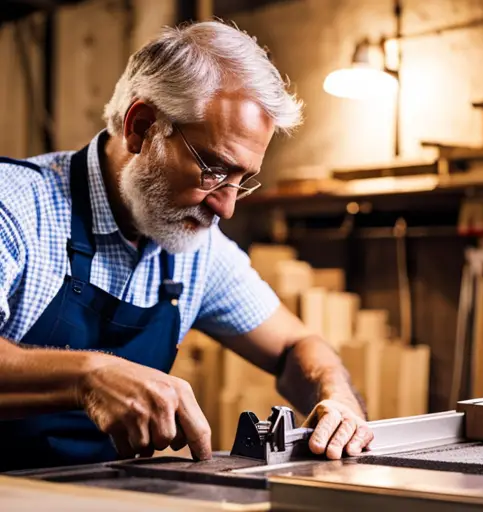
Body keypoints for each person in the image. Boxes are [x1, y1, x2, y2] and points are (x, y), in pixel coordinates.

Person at [0, 20, 373, 472]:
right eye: (214, 169)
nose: (226, 207)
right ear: (141, 127)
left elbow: (296, 346)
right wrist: (88, 377)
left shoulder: (197, 250)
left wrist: (337, 398)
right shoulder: (16, 208)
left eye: (242, 181)